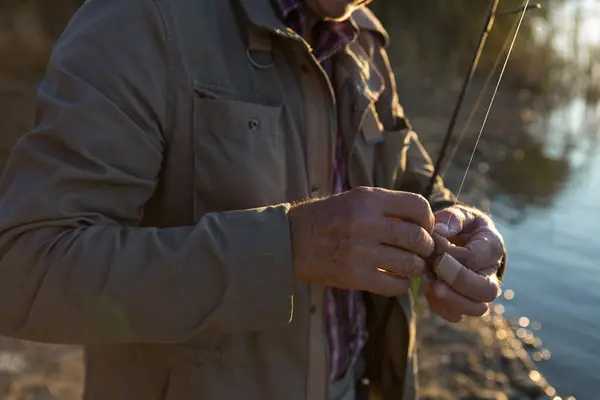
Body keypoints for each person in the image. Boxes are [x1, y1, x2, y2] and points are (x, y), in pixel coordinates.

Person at [0, 0, 506, 399]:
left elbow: (409, 173)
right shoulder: (141, 20)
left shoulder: (362, 37)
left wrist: (463, 227)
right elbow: (25, 269)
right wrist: (289, 247)